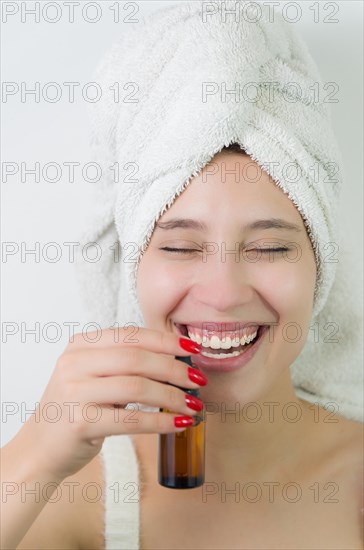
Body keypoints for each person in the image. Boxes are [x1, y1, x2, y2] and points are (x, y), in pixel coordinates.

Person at [2, 2, 363, 549]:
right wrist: (30, 458)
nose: (221, 295)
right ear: (132, 267)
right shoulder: (70, 496)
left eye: (268, 247)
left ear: (322, 265)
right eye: (178, 245)